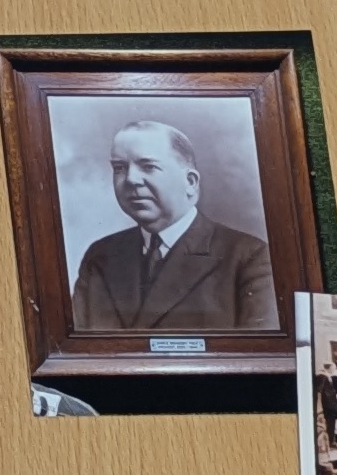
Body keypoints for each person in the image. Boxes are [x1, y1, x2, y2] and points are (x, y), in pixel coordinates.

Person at [66, 114, 279, 335]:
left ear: (190, 182)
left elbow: (258, 350)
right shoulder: (101, 255)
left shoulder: (248, 257)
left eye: (148, 166)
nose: (130, 179)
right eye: (119, 168)